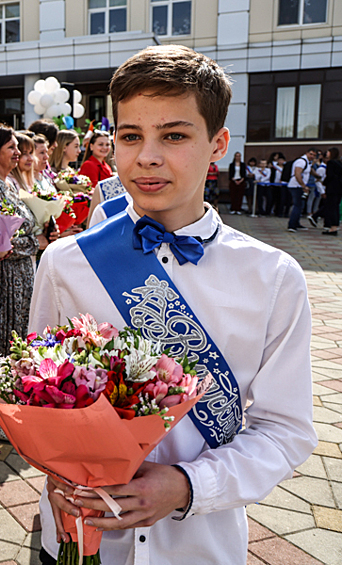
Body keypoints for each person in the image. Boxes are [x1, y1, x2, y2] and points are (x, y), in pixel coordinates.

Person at [33, 44, 317, 565]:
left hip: (200, 544)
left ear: (219, 144)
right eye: (131, 136)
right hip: (79, 531)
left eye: (175, 135)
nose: (147, 157)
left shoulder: (274, 279)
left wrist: (188, 486)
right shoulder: (65, 263)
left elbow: (285, 430)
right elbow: (36, 397)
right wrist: (55, 473)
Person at [0, 123, 48, 441]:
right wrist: (37, 242)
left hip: (18, 278)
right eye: (11, 148)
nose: (18, 153)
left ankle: (5, 407)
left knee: (13, 339)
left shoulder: (8, 184)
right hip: (1, 281)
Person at [287, 147, 316, 232]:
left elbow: (310, 171)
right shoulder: (301, 161)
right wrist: (303, 186)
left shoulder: (307, 162)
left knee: (300, 205)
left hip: (299, 186)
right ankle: (292, 225)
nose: (312, 156)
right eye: (311, 154)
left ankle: (296, 223)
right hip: (296, 186)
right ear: (307, 153)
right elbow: (297, 174)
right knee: (297, 205)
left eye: (314, 155)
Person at [323, 147, 342, 235]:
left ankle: (333, 228)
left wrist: (324, 182)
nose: (327, 154)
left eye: (328, 152)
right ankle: (335, 226)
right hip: (339, 188)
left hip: (332, 188)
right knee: (336, 207)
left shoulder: (331, 163)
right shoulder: (339, 163)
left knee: (331, 207)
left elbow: (330, 175)